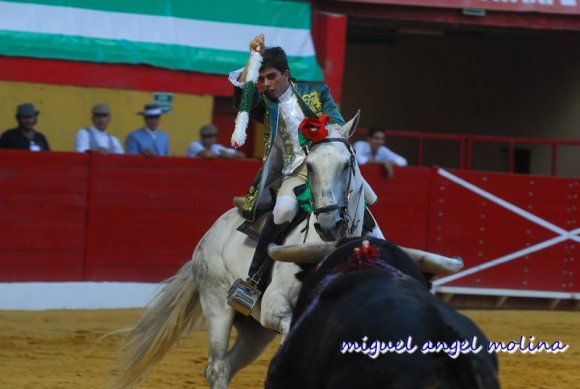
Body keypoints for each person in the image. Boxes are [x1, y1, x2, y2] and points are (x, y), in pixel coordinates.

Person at [228, 34, 345, 301]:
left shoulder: (316, 91)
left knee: (367, 196)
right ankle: (253, 279)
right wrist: (252, 59)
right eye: (262, 79)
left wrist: (327, 130)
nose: (266, 84)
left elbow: (336, 122)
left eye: (271, 77)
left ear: (286, 74)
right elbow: (242, 100)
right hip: (294, 173)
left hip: (324, 165)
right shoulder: (265, 106)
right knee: (282, 211)